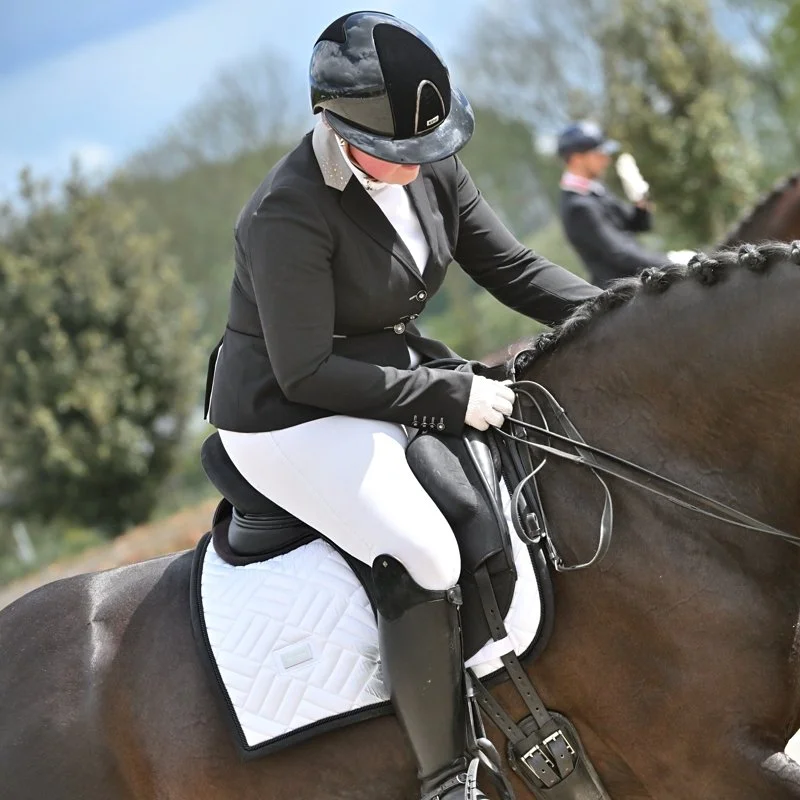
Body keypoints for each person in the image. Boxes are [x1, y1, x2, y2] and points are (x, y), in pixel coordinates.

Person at [204, 12, 601, 799]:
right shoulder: (287, 212)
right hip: (287, 415)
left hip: (385, 374)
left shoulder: (432, 165)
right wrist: (451, 394)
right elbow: (307, 370)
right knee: (425, 550)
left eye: (431, 147)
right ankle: (446, 778)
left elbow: (515, 269)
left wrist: (634, 309)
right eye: (398, 154)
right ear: (336, 128)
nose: (421, 166)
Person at [557, 121, 673, 287]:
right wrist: (671, 262)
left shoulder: (595, 190)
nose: (606, 159)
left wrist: (640, 197)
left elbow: (636, 224)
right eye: (598, 153)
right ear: (577, 159)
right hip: (624, 295)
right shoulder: (578, 206)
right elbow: (620, 253)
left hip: (640, 280)